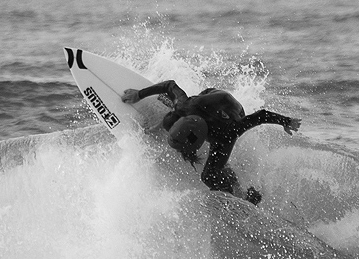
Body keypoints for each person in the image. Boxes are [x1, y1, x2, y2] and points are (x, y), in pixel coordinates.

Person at [122, 80, 301, 205]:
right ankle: (160, 122)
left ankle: (238, 193)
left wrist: (286, 121)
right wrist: (139, 94)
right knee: (171, 117)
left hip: (233, 114)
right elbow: (170, 85)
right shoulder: (186, 106)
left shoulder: (229, 132)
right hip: (209, 95)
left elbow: (260, 116)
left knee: (209, 175)